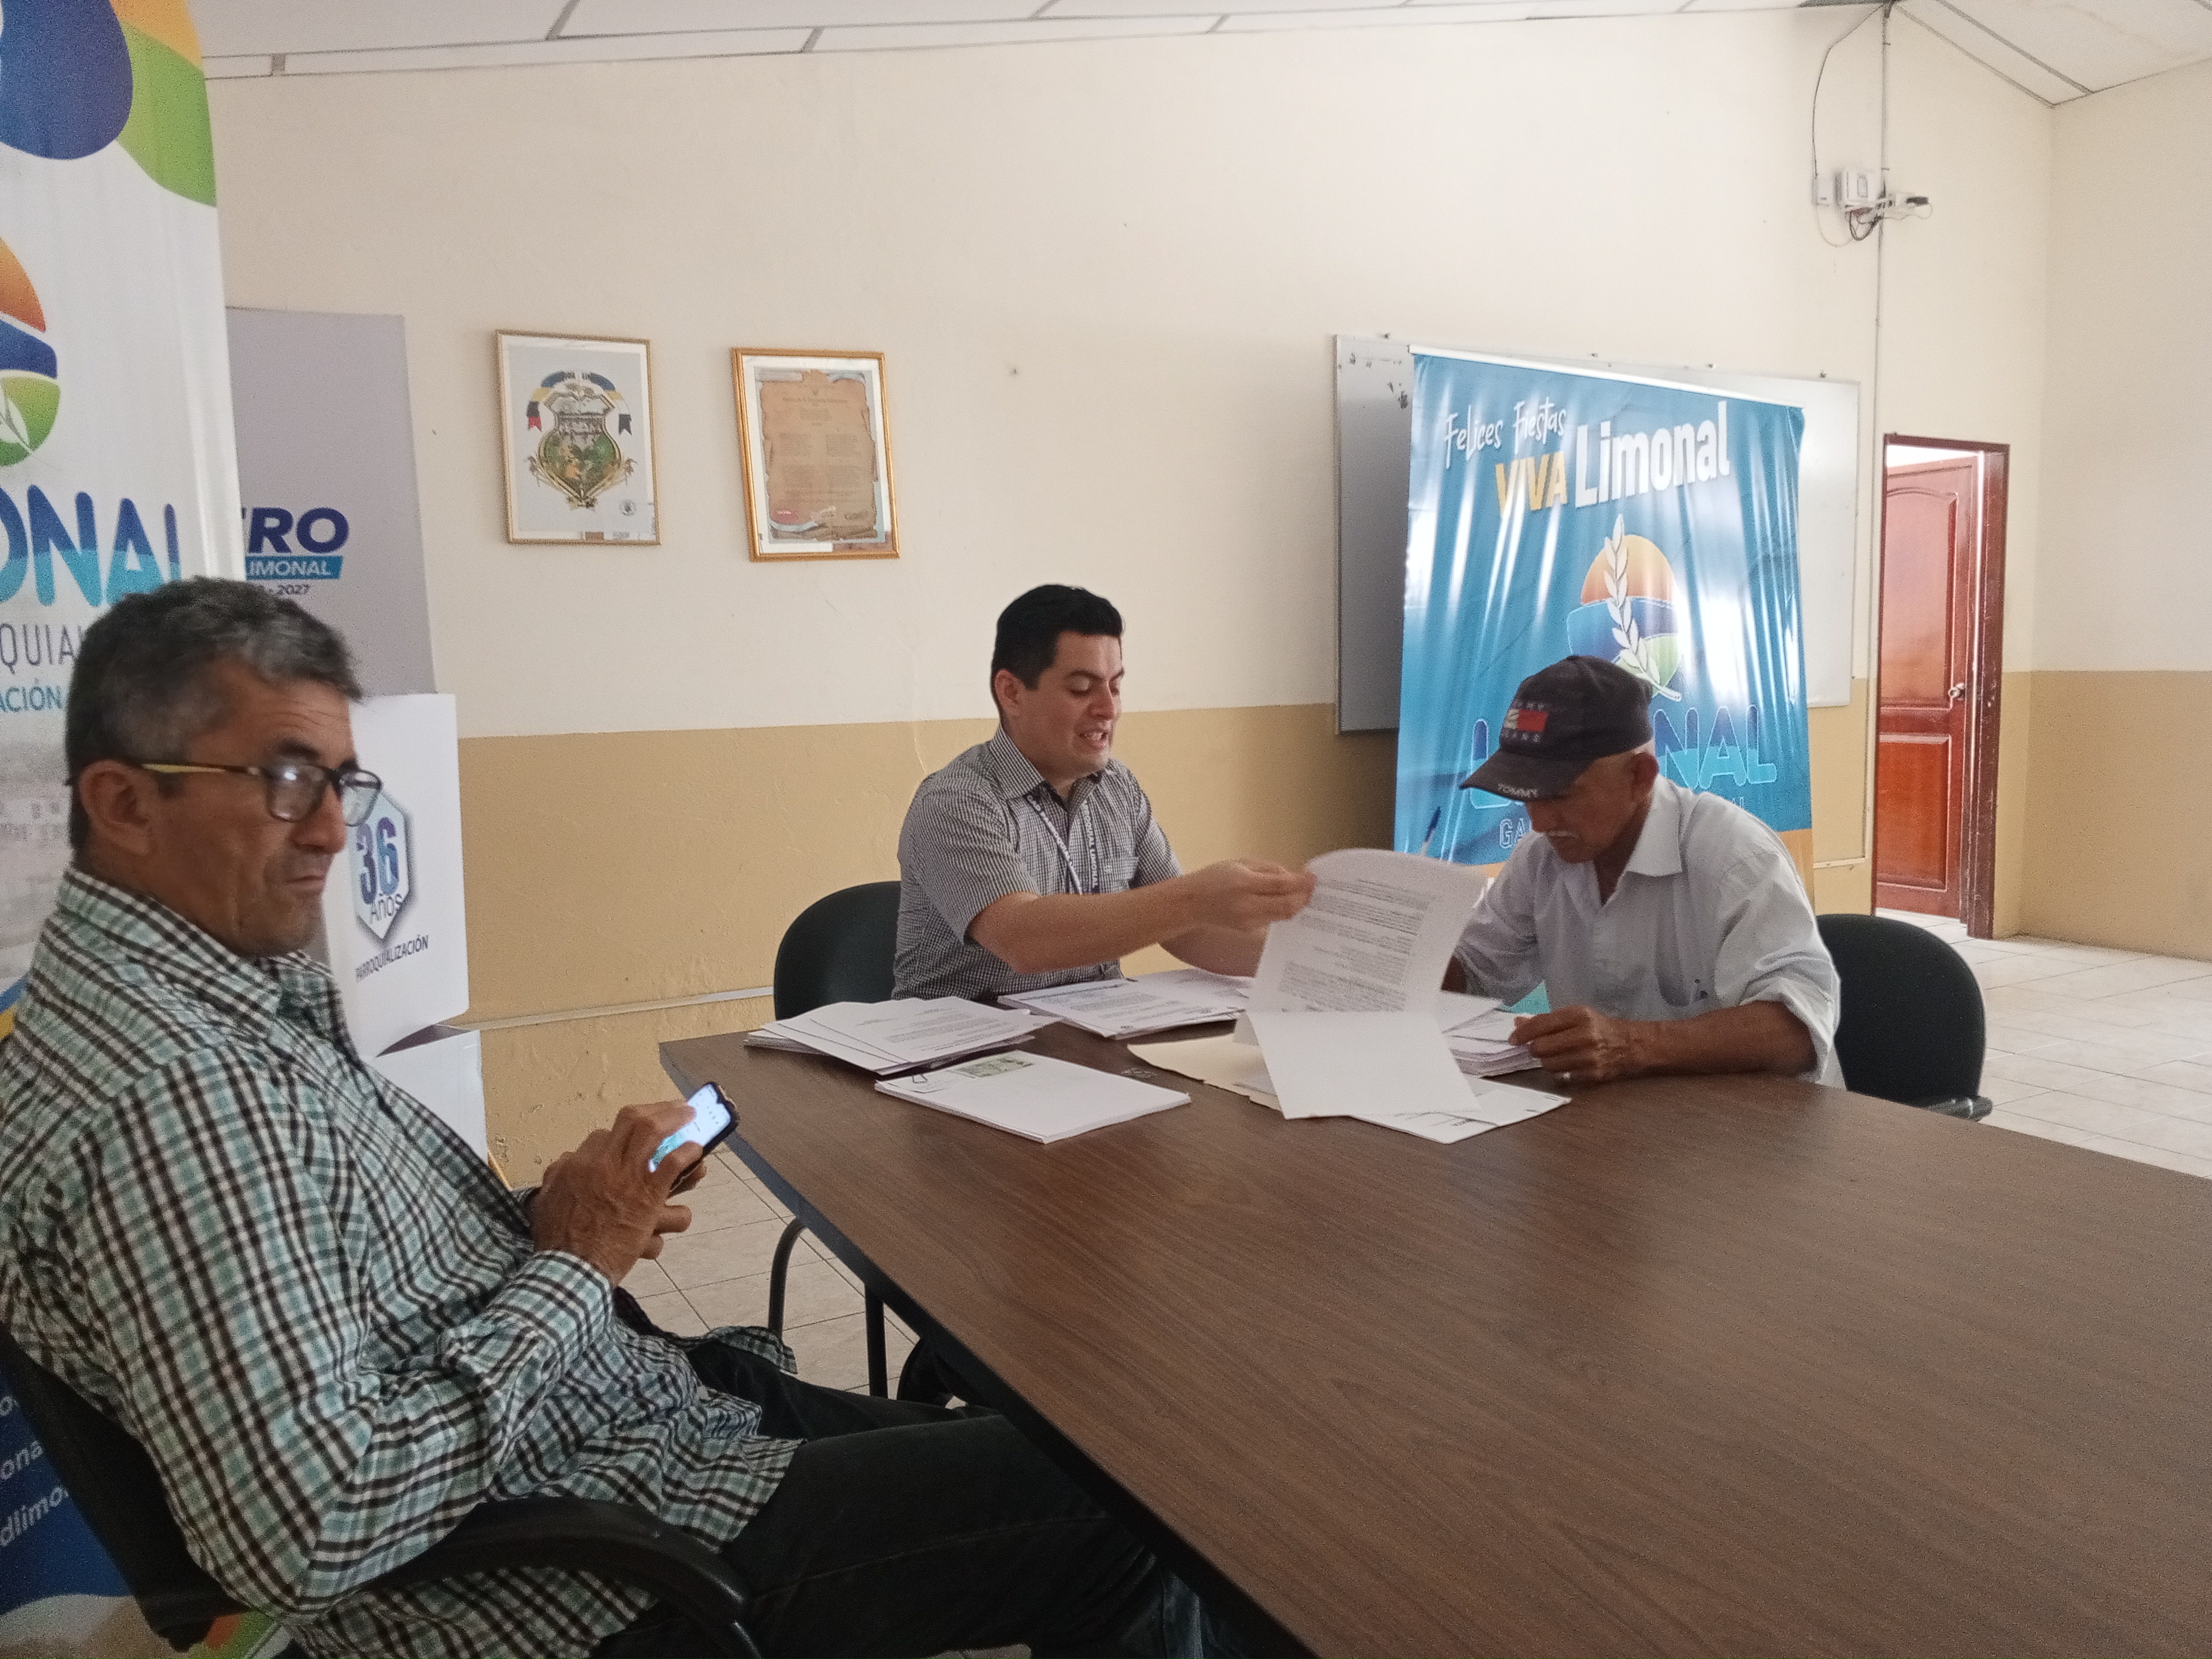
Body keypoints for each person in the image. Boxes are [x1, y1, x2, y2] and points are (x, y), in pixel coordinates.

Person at [0, 580, 1237, 1659]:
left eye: (340, 781)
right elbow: (315, 1525)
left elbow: (341, 1272)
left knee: (1076, 1450)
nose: (330, 829)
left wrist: (543, 1213)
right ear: (125, 802)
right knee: (1135, 1507)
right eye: (282, 780)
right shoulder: (172, 1094)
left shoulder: (208, 997)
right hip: (582, 1555)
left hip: (623, 1414)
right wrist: (573, 1260)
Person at [895, 584, 1313, 1001]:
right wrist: (1198, 897)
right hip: (969, 1037)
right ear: (1012, 693)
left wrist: (1314, 961)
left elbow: (1188, 931)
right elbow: (1025, 940)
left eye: (1115, 687)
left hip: (1092, 1027)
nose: (1109, 709)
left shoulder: (1117, 787)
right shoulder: (955, 801)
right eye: (1081, 688)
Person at [1449, 654, 1841, 1089]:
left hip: (1757, 1119)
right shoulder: (1541, 858)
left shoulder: (1734, 856)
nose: (1540, 822)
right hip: (1621, 1114)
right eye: (1527, 797)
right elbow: (1476, 968)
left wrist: (1632, 1044)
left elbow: (1796, 1030)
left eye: (1561, 796)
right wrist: (1401, 958)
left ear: (1640, 777)